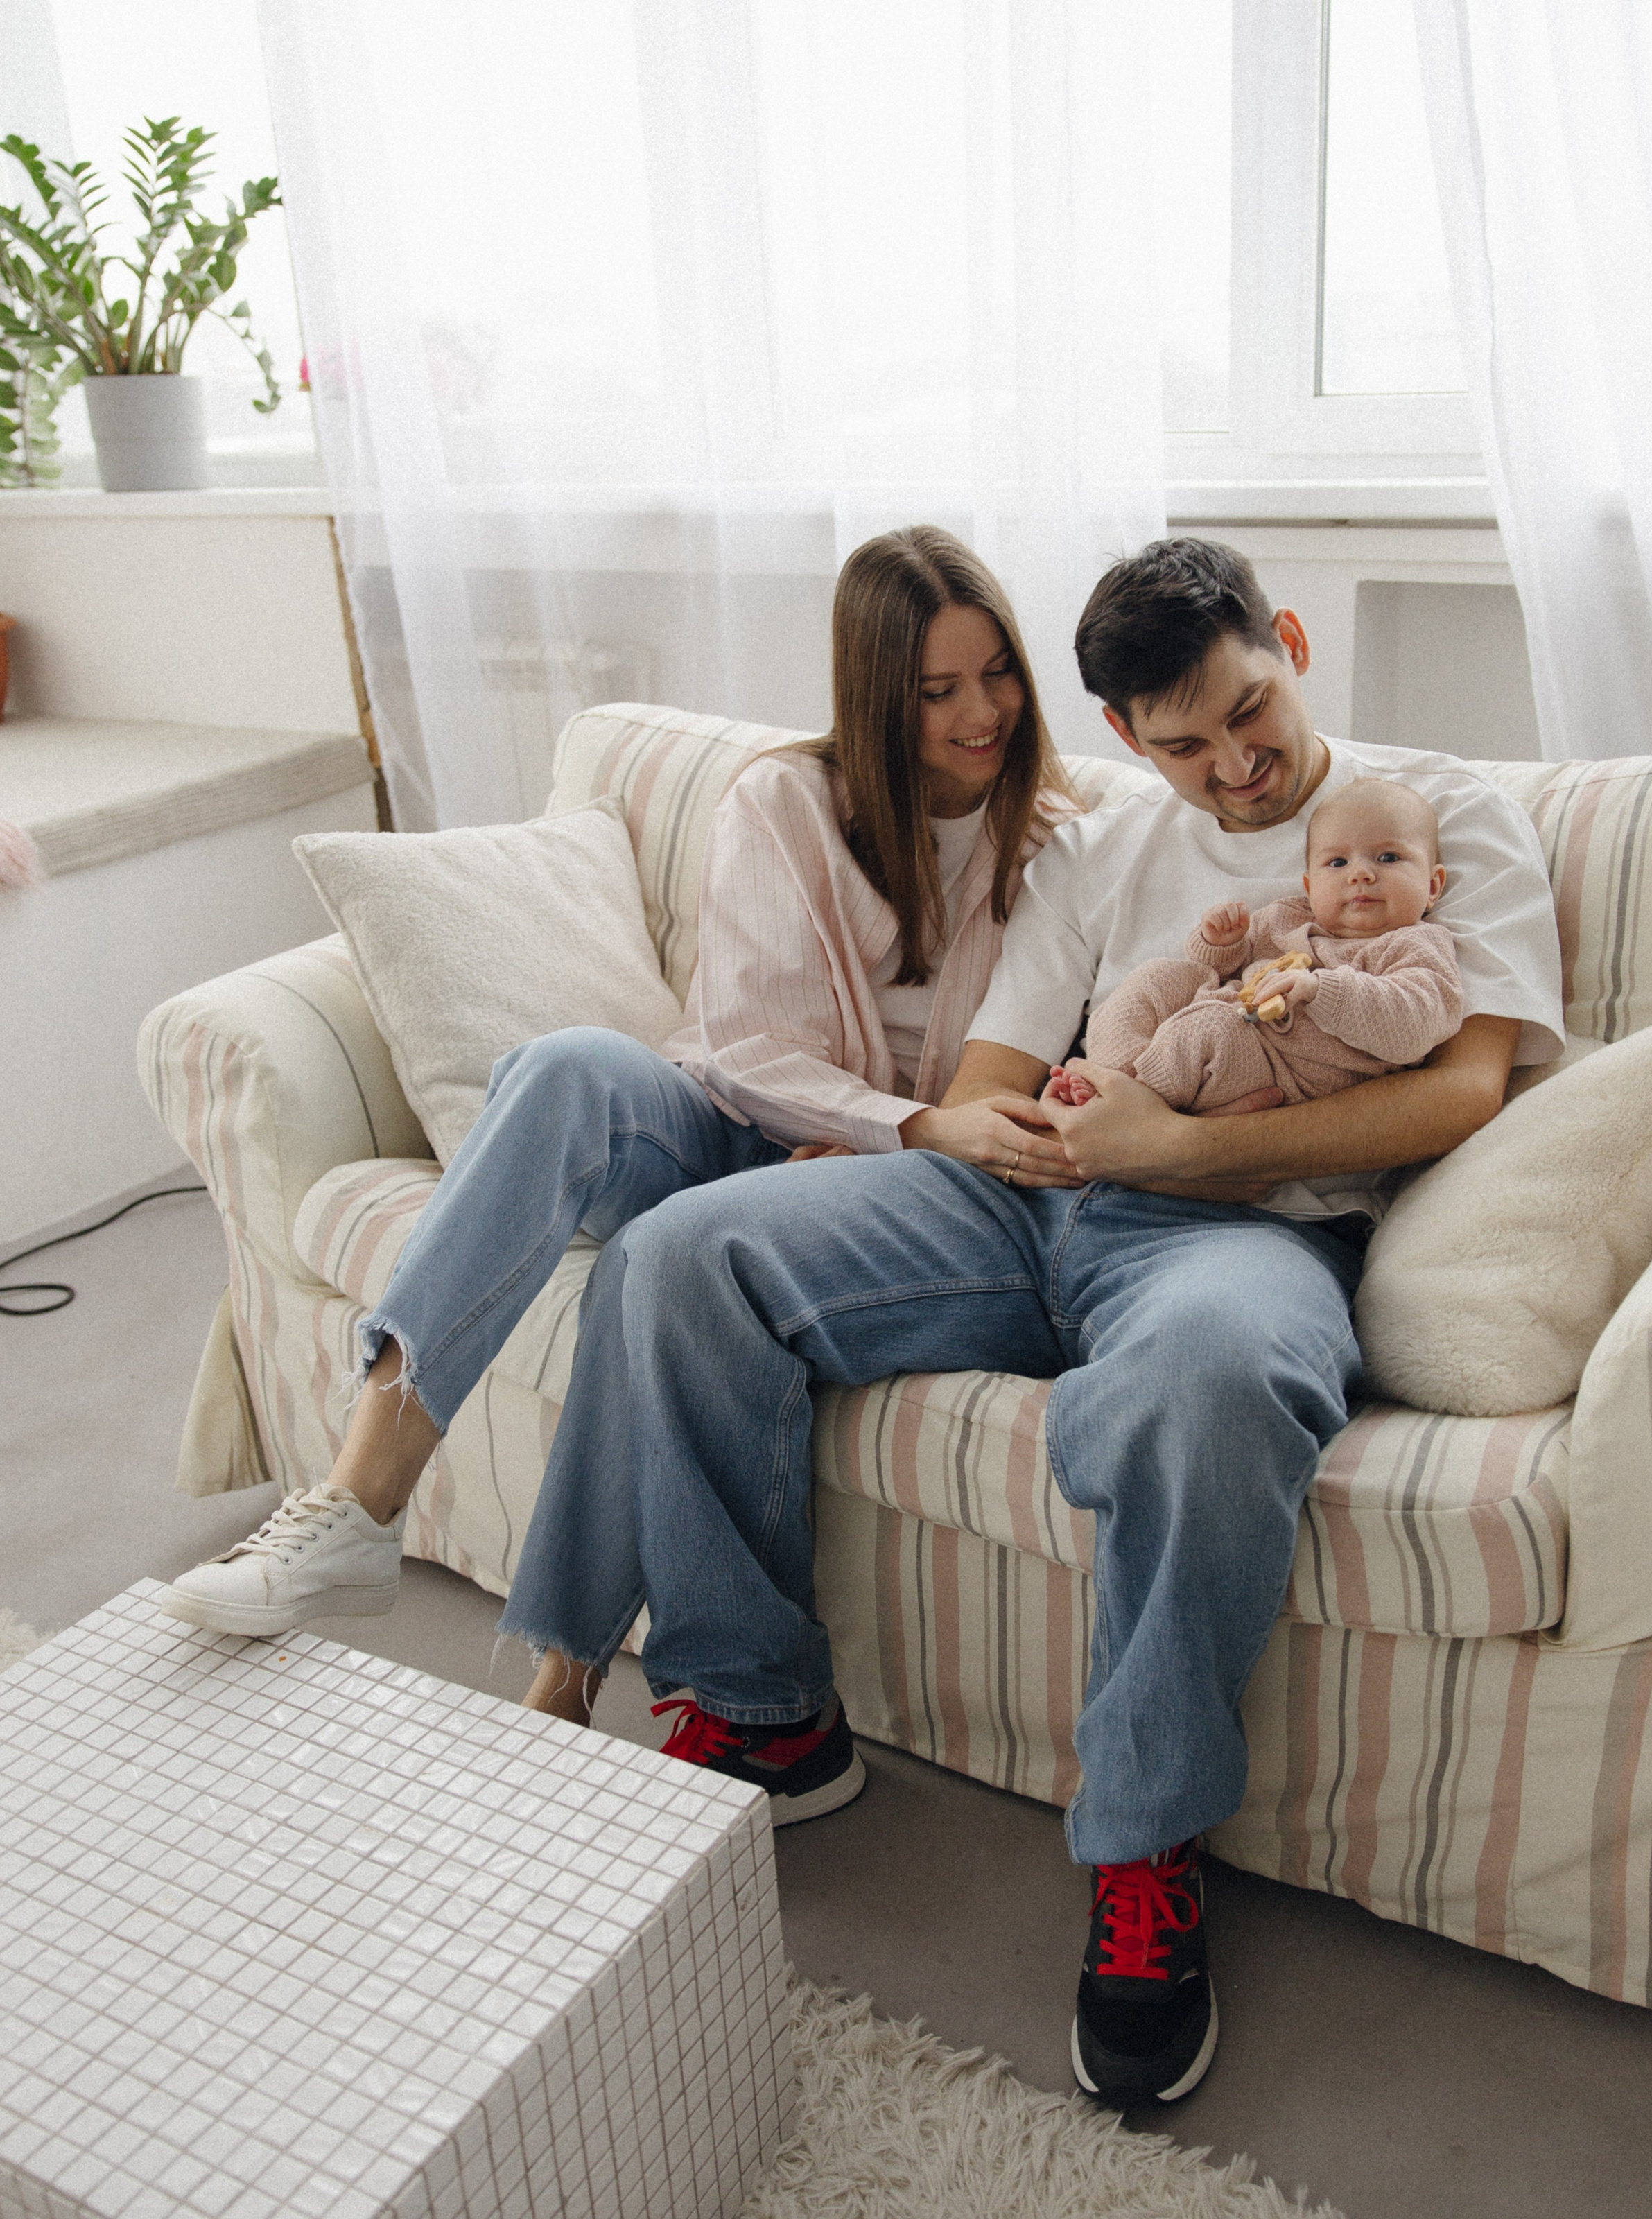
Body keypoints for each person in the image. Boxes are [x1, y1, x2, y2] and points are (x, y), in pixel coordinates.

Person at [579, 537, 1565, 2107]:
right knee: (685, 1257)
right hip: (1037, 1195)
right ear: (1122, 736)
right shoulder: (1107, 851)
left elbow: (1454, 1085)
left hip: (1235, 1233)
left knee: (1213, 1380)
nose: (1232, 770)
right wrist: (1026, 1122)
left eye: (1249, 714)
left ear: (1288, 641)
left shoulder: (1434, 820)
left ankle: (1137, 1851)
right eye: (1180, 746)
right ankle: (764, 1714)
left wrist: (1169, 1146)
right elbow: (984, 1075)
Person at [159, 525, 1084, 1784]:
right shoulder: (784, 800)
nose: (980, 713)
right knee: (561, 1070)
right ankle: (357, 1507)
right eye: (937, 690)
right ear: (877, 695)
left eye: (998, 676)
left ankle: (561, 1686)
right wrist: (897, 1122)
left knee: (650, 1270)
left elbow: (1029, 1086)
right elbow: (749, 1049)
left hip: (866, 1196)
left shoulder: (1060, 843)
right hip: (737, 1128)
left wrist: (880, 1161)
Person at [1054, 776, 1462, 1111]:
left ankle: (1125, 1105)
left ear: (1432, 886)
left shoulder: (1416, 945)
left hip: (1288, 1071)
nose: (1360, 875)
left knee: (1210, 1029)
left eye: (1387, 858)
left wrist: (1321, 990)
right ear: (1309, 884)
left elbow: (1419, 1021)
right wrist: (1221, 944)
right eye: (1337, 863)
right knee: (1159, 977)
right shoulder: (1290, 916)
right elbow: (1229, 966)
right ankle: (1110, 1074)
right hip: (1224, 1016)